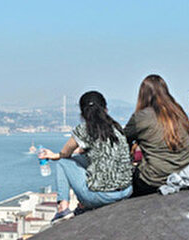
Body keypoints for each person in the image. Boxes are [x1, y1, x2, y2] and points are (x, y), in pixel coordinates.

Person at [38, 91, 133, 221]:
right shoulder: (116, 128)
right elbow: (99, 151)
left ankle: (63, 208)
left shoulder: (84, 129)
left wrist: (54, 155)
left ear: (83, 113)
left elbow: (65, 153)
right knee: (81, 160)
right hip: (126, 191)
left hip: (103, 197)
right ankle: (80, 204)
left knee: (63, 163)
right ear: (105, 109)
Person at [124, 74, 189, 196]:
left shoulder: (141, 117)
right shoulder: (179, 112)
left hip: (155, 179)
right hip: (188, 174)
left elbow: (124, 138)